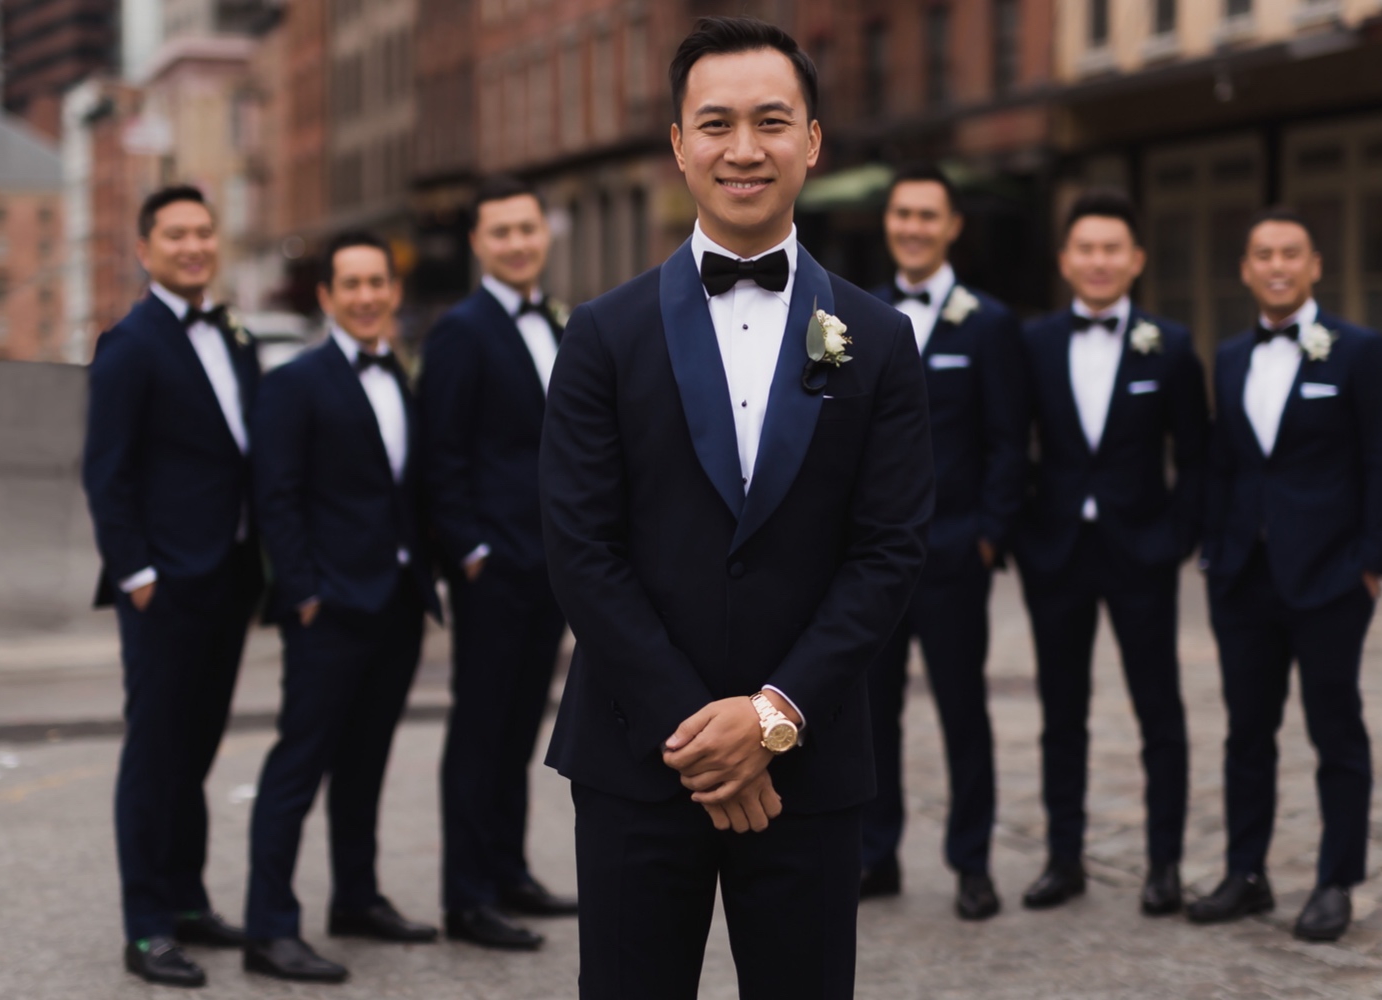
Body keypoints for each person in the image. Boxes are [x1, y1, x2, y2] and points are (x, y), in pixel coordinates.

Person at [539, 16, 934, 999]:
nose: (744, 149)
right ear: (677, 143)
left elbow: (888, 549)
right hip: (638, 756)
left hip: (808, 760)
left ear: (813, 141)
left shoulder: (877, 340)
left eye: (771, 121)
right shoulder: (602, 333)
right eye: (716, 123)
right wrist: (696, 729)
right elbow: (582, 547)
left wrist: (771, 715)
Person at [1188, 207, 1382, 942]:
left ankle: (1335, 882)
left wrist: (1372, 566)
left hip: (1330, 582)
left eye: (1291, 253)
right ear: (1247, 269)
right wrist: (1216, 553)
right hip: (1244, 580)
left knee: (1335, 732)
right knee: (1247, 734)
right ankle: (1246, 874)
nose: (1277, 265)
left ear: (1315, 266)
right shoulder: (1229, 356)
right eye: (1263, 254)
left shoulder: (1361, 351)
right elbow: (1226, 463)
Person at [243, 232, 443, 982]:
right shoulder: (296, 383)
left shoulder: (400, 372)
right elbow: (276, 496)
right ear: (326, 297)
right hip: (327, 609)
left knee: (366, 764)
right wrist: (303, 594)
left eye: (377, 283)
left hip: (395, 603)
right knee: (300, 765)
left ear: (392, 292)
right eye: (349, 285)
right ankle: (269, 928)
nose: (365, 297)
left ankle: (356, 897)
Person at [83, 184, 263, 988]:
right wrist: (139, 576)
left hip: (227, 578)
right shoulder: (130, 343)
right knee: (154, 757)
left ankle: (187, 901)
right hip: (164, 586)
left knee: (194, 750)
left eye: (203, 232)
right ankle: (147, 926)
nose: (193, 245)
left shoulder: (232, 333)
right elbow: (106, 474)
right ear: (146, 250)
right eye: (176, 235)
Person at [1011, 189, 1209, 916]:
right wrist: (1024, 532)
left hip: (1141, 553)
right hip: (1056, 551)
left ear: (1136, 260)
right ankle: (1064, 859)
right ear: (1066, 261)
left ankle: (1164, 866)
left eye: (1111, 249)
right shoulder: (1032, 344)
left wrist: (1175, 538)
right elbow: (1012, 441)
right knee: (1062, 714)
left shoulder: (1172, 345)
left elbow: (1196, 456)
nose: (1098, 261)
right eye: (1085, 249)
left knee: (1160, 711)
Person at [859, 164, 1024, 921]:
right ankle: (876, 853)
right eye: (903, 215)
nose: (915, 228)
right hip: (866, 562)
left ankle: (972, 862)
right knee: (868, 712)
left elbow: (1006, 443)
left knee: (964, 713)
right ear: (888, 224)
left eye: (929, 216)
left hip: (954, 557)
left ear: (953, 226)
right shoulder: (850, 315)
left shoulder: (988, 322)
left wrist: (989, 537)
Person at [420, 174, 572, 951]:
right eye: (501, 232)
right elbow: (440, 455)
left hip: (549, 568)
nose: (517, 243)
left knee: (518, 730)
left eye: (526, 228)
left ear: (544, 233)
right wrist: (471, 552)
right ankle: (467, 896)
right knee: (479, 733)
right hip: (493, 570)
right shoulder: (461, 330)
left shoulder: (554, 319)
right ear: (479, 243)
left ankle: (509, 871)